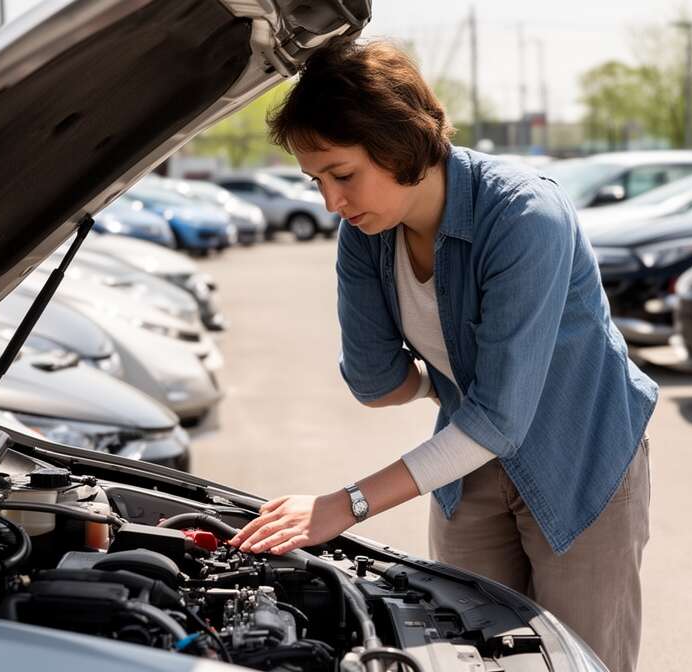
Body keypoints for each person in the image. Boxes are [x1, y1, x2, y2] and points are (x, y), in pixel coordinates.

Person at [228, 38, 658, 672]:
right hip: (467, 459)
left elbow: (499, 420)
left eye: (342, 175)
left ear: (399, 143)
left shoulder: (524, 215)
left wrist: (343, 505)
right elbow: (376, 382)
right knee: (467, 654)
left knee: (579, 659)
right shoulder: (365, 232)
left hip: (581, 456)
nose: (331, 203)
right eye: (316, 181)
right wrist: (445, 387)